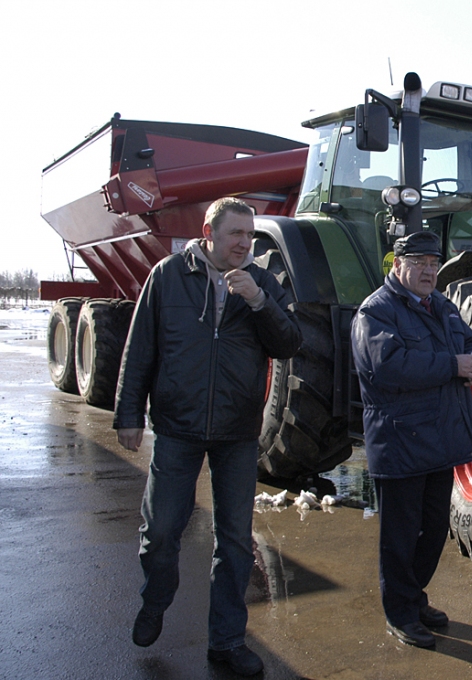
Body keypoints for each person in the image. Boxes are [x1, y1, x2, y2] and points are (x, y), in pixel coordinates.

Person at [114, 197, 302, 676]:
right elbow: (141, 349)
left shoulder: (260, 283)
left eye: (249, 235)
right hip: (177, 427)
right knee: (160, 533)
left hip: (237, 432)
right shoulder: (168, 275)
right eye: (235, 233)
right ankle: (156, 600)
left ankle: (226, 641)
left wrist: (259, 304)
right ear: (209, 232)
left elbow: (291, 343)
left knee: (235, 542)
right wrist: (129, 413)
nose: (244, 243)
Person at [351, 230, 472, 649]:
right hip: (401, 441)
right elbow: (389, 367)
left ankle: (414, 596)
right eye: (419, 263)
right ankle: (400, 612)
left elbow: (470, 341)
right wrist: (453, 365)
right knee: (400, 535)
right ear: (398, 265)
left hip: (440, 439)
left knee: (431, 531)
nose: (429, 271)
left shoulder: (442, 306)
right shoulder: (376, 312)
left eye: (433, 264)